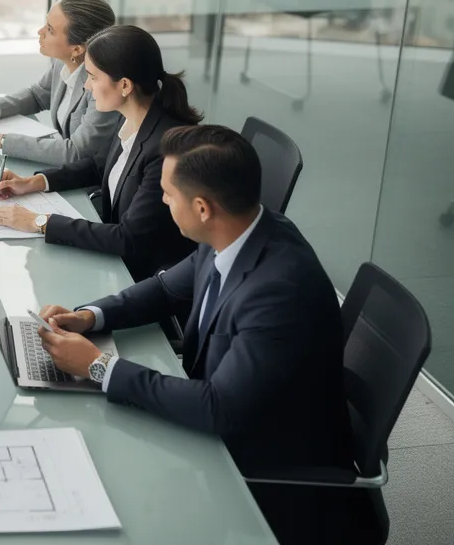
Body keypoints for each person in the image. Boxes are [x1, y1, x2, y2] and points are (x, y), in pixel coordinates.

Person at [32, 125, 354, 544]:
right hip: (223, 407)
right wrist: (92, 316)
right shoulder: (238, 228)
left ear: (202, 208)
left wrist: (98, 367)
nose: (162, 201)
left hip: (261, 461)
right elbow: (167, 287)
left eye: (168, 194)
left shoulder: (278, 292)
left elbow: (219, 409)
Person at [0, 25, 200, 281]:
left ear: (124, 85)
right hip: (113, 258)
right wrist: (34, 182)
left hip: (141, 274)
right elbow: (98, 165)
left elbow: (128, 238)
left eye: (93, 77)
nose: (87, 86)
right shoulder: (132, 118)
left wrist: (40, 222)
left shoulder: (165, 149)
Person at [0, 0, 121, 164]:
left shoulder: (101, 87)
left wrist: (2, 141)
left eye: (50, 29)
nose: (40, 32)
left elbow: (75, 152)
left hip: (92, 180)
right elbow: (37, 95)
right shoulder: (62, 64)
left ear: (77, 50)